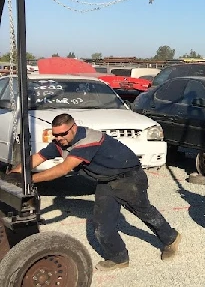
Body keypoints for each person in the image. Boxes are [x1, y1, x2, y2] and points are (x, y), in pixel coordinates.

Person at [10, 113, 181, 271]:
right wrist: (16, 173)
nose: (59, 138)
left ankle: (171, 238)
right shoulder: (60, 143)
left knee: (145, 213)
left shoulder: (87, 140)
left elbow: (63, 169)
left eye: (63, 134)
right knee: (101, 224)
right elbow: (37, 158)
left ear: (73, 128)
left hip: (129, 178)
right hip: (106, 181)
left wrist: (28, 180)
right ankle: (119, 258)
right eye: (56, 135)